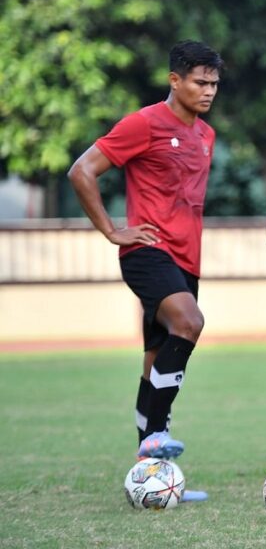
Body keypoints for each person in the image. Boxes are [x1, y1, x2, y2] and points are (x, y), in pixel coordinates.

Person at [67, 40, 223, 502]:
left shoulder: (206, 135)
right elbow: (82, 171)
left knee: (156, 358)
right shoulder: (145, 123)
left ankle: (150, 476)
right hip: (148, 252)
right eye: (200, 82)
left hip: (186, 259)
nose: (209, 91)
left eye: (214, 83)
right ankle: (156, 434)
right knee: (190, 322)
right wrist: (113, 230)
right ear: (175, 80)